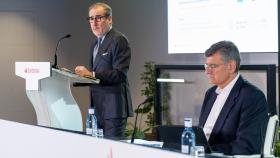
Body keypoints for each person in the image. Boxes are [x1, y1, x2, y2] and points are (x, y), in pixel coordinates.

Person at [198, 41, 269, 155]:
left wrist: (206, 152)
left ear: (231, 66)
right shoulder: (210, 93)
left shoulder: (252, 96)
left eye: (213, 66)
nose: (207, 71)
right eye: (206, 66)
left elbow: (247, 146)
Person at [75, 2, 133, 139]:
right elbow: (95, 78)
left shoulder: (119, 40)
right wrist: (74, 76)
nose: (94, 22)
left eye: (98, 18)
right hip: (97, 110)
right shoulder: (95, 44)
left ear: (109, 19)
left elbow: (120, 74)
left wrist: (91, 74)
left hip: (113, 110)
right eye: (91, 18)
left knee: (111, 151)